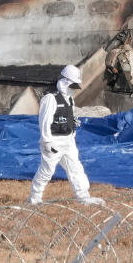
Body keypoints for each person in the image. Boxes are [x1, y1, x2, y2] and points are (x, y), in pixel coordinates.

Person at [28, 65, 101, 205]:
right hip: (54, 142)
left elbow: (67, 116)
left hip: (68, 141)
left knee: (76, 168)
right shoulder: (51, 98)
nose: (73, 89)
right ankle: (34, 198)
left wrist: (71, 125)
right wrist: (46, 141)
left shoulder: (70, 99)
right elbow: (45, 121)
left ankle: (83, 197)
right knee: (46, 171)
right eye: (72, 85)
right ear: (65, 81)